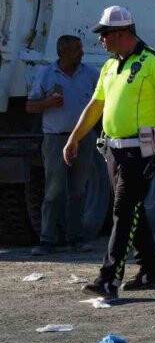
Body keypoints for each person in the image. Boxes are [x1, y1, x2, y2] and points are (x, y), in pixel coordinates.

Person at [63, 6, 155, 300]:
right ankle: (151, 270)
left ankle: (109, 278)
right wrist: (74, 137)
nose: (100, 39)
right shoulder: (109, 66)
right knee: (133, 208)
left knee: (123, 209)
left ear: (122, 33)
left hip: (142, 150)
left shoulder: (154, 62)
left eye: (104, 34)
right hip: (114, 149)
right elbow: (96, 105)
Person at [25, 35, 100, 255]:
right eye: (77, 49)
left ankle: (76, 238)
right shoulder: (47, 74)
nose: (82, 52)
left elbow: (102, 103)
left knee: (78, 189)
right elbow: (29, 106)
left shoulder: (91, 74)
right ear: (63, 53)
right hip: (55, 139)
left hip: (83, 138)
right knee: (54, 190)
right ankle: (47, 240)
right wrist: (47, 103)